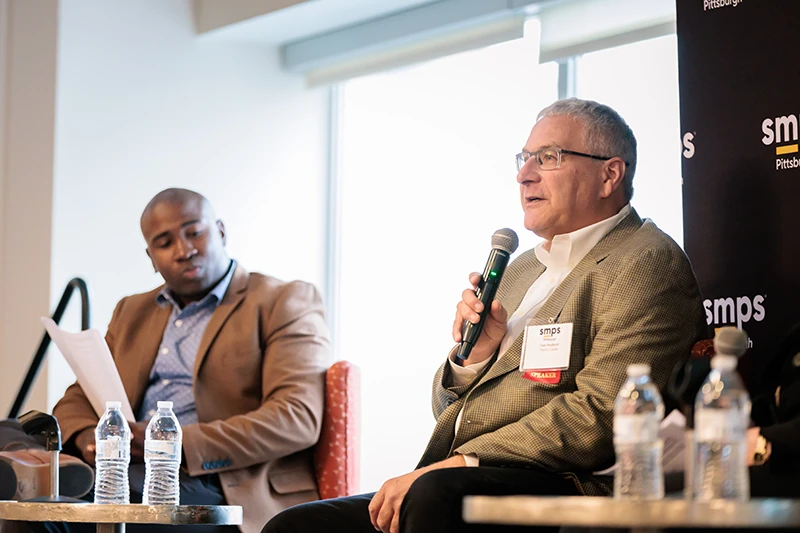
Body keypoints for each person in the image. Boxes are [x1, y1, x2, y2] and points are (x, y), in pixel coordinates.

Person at [263, 98, 707, 533]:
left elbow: (603, 414)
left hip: (570, 485)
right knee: (296, 525)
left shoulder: (645, 261)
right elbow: (450, 413)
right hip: (462, 478)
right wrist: (473, 358)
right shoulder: (521, 268)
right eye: (524, 158)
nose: (524, 174)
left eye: (548, 157)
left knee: (435, 497)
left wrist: (463, 461)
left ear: (610, 174)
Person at [6, 188, 331, 533]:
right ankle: (27, 462)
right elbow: (77, 398)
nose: (184, 250)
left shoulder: (282, 300)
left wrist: (168, 444)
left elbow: (298, 416)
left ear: (220, 231)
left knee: (44, 510)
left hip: (218, 483)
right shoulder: (133, 311)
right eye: (164, 242)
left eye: (194, 232)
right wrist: (93, 440)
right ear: (151, 256)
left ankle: (28, 468)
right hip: (125, 469)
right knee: (21, 479)